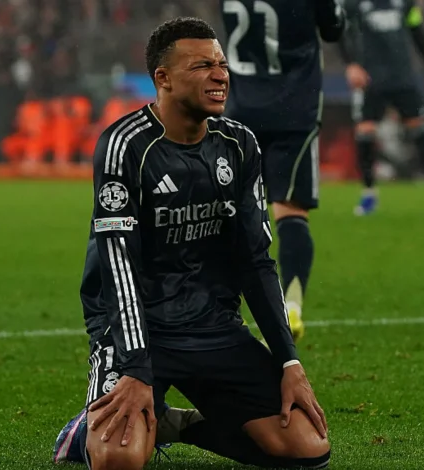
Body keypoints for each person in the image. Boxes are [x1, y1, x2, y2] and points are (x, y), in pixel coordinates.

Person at [53, 17, 330, 470]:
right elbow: (118, 262)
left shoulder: (240, 145)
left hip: (212, 327)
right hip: (138, 330)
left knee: (307, 447)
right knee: (119, 459)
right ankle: (86, 430)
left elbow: (257, 261)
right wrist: (135, 365)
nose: (220, 75)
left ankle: (173, 424)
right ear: (163, 78)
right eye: (203, 65)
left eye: (222, 64)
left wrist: (289, 363)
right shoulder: (125, 145)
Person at [219, 0, 346, 341]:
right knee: (291, 212)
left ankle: (215, 308)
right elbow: (334, 27)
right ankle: (291, 305)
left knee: (228, 212)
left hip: (240, 108)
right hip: (294, 110)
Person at [339, 0, 424, 216]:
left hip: (402, 79)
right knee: (365, 134)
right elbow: (341, 32)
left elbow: (418, 32)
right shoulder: (354, 4)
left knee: (421, 133)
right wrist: (351, 64)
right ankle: (369, 194)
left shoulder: (405, 3)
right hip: (370, 80)